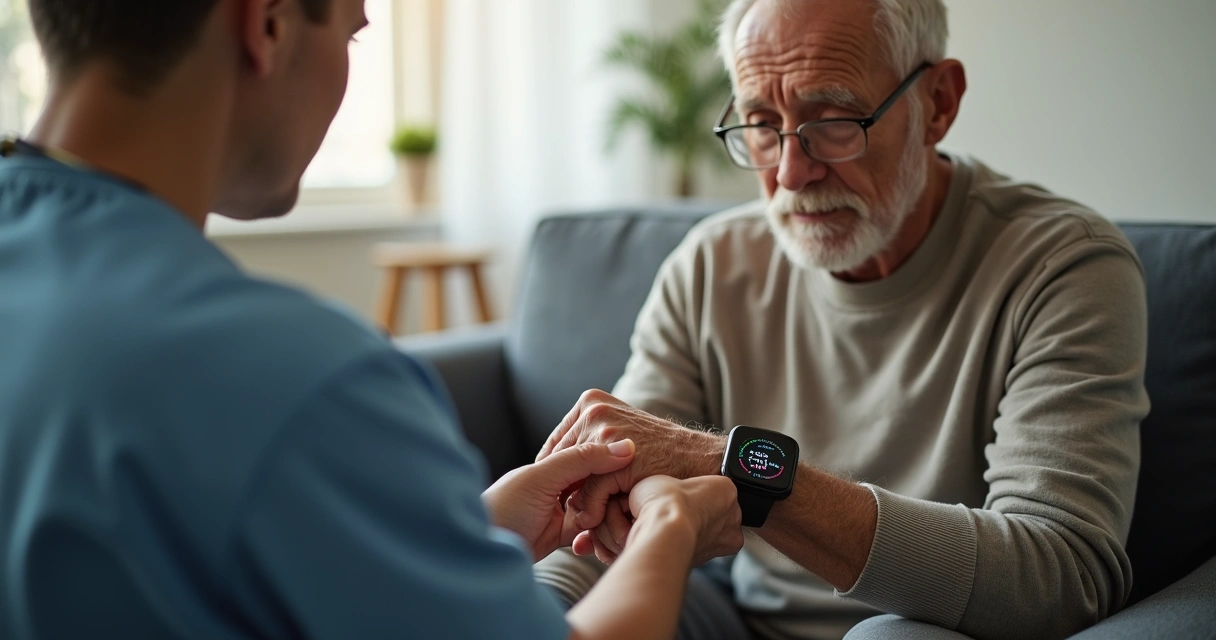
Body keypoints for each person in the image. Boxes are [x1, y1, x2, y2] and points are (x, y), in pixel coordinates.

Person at [0, 1, 745, 639]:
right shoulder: (301, 378)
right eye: (354, 34)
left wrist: (468, 535)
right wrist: (670, 531)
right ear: (264, 24)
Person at [533, 0, 1150, 639]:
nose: (792, 173)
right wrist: (522, 615)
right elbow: (604, 503)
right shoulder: (710, 265)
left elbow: (1062, 575)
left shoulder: (1064, 265)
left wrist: (733, 465)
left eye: (832, 120)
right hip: (739, 621)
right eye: (761, 124)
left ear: (939, 102)